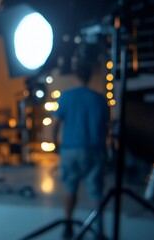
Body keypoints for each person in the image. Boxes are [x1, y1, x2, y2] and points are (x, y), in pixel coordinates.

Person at [52, 62, 110, 240]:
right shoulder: (100, 99)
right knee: (96, 192)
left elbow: (55, 124)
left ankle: (68, 226)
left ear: (75, 76)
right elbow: (105, 127)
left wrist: (55, 144)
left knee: (70, 189)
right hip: (94, 150)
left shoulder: (66, 97)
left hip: (70, 150)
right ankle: (98, 230)